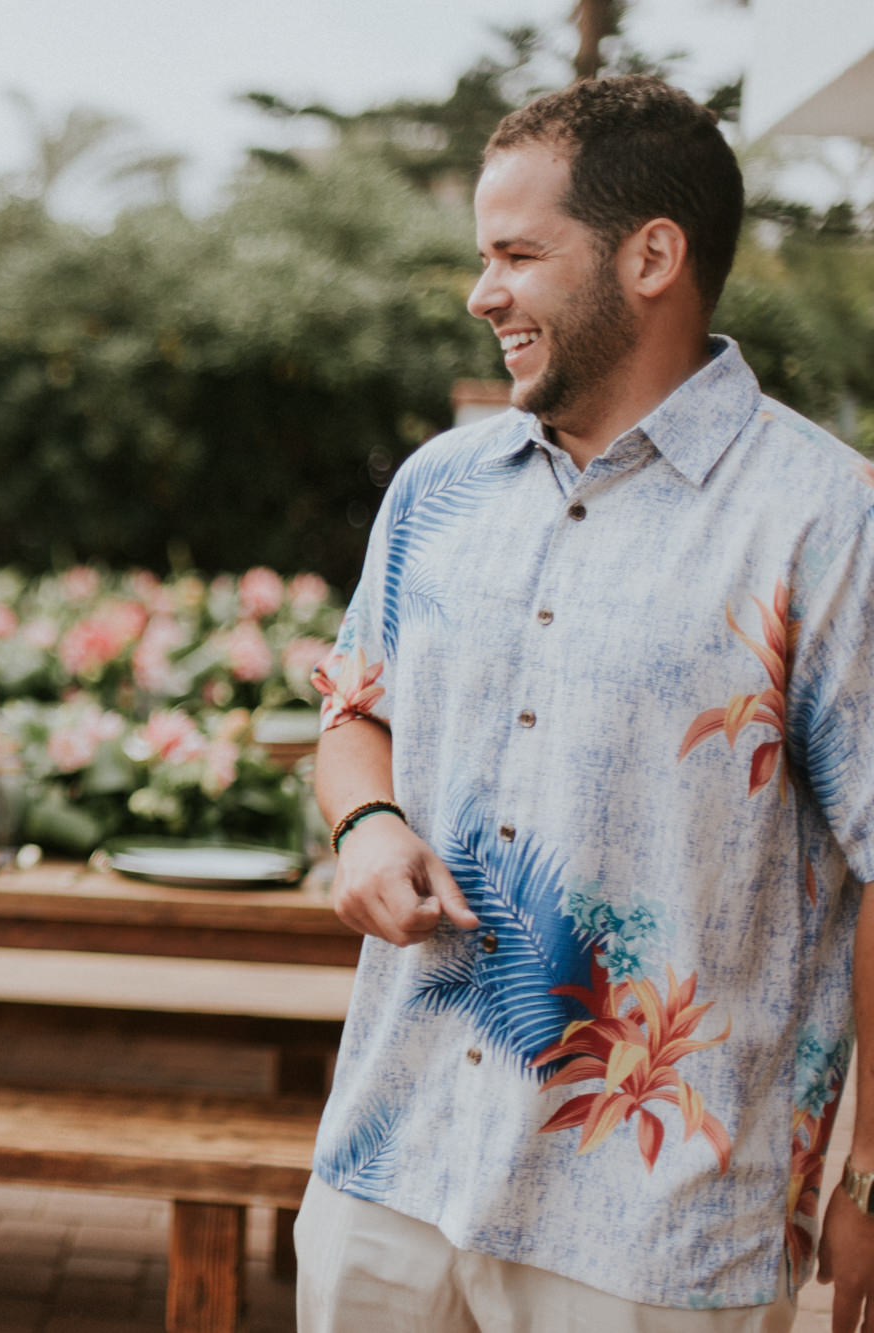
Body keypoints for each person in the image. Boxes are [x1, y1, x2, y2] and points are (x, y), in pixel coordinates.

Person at [303, 75, 874, 1330]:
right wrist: (364, 824)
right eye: (480, 256)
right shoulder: (435, 487)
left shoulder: (828, 519)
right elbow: (352, 714)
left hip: (653, 1229)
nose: (480, 292)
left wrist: (868, 1180)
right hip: (389, 1168)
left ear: (650, 256)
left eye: (516, 253)